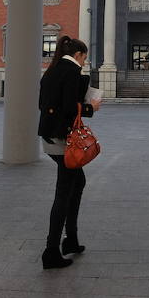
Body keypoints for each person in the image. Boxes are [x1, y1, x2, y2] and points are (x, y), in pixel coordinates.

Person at [37, 35, 101, 269]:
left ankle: (71, 239)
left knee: (77, 183)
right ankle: (52, 250)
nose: (84, 62)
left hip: (50, 137)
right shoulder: (72, 72)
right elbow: (67, 107)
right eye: (84, 58)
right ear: (78, 55)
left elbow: (43, 103)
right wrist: (89, 107)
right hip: (64, 139)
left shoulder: (52, 70)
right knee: (64, 193)